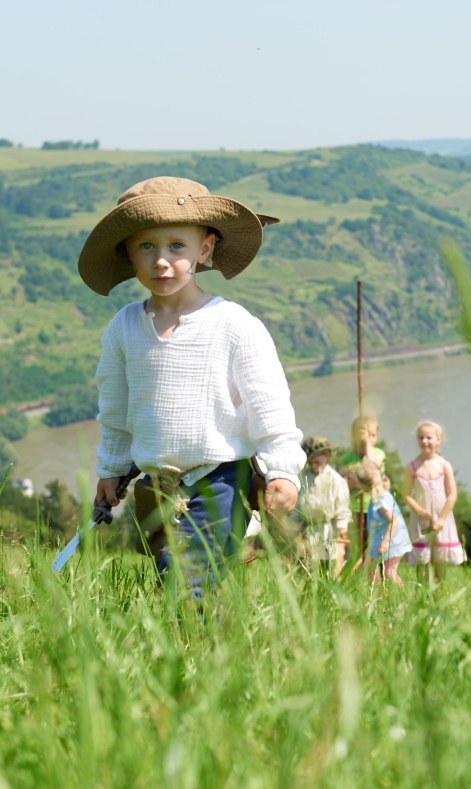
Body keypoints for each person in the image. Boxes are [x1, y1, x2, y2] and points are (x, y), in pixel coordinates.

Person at [77, 175, 306, 593]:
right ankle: (204, 651)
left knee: (191, 587)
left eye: (176, 246)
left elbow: (269, 406)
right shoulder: (124, 327)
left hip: (218, 479)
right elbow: (114, 409)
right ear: (129, 252)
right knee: (173, 578)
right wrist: (111, 469)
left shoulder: (234, 325)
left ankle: (200, 644)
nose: (161, 260)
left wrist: (283, 470)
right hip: (156, 487)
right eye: (146, 246)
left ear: (205, 248)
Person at [403, 420, 465, 579]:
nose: (425, 441)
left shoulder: (444, 465)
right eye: (421, 438)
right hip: (421, 517)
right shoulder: (412, 466)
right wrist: (417, 510)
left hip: (441, 517)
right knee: (422, 558)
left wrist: (442, 519)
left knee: (440, 558)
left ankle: (439, 591)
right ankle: (422, 592)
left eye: (429, 438)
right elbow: (406, 494)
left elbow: (452, 495)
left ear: (438, 440)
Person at [349, 462, 412, 586]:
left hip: (393, 542)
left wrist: (386, 542)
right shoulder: (379, 496)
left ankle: (404, 596)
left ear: (364, 485)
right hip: (379, 541)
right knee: (371, 571)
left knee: (389, 572)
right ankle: (377, 596)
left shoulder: (379, 502)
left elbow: (394, 520)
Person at [295, 436, 351, 576]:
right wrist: (293, 523)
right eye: (310, 463)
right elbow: (297, 503)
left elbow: (342, 507)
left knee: (327, 565)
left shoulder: (335, 480)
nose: (313, 465)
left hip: (328, 530)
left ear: (326, 455)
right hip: (307, 529)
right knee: (305, 565)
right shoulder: (303, 477)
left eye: (317, 461)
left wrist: (342, 526)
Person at [338, 416, 386, 556]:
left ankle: (374, 573)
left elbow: (373, 465)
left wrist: (367, 445)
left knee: (373, 543)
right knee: (355, 544)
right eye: (364, 435)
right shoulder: (347, 458)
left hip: (374, 506)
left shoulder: (378, 453)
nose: (369, 438)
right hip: (353, 508)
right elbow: (342, 481)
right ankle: (355, 570)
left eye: (372, 435)